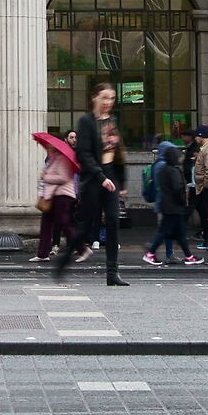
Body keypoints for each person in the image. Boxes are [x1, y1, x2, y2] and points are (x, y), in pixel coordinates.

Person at [56, 84, 130, 286]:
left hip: (110, 175)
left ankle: (112, 273)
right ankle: (63, 261)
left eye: (111, 98)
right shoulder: (86, 122)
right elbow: (84, 154)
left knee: (113, 222)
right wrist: (100, 177)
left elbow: (118, 151)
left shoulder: (112, 121)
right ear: (94, 98)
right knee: (86, 226)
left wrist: (121, 180)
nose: (108, 102)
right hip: (93, 179)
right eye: (104, 97)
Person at [143, 140, 199, 266]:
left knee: (177, 231)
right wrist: (183, 196)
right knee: (167, 230)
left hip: (167, 203)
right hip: (170, 204)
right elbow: (175, 188)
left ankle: (183, 255)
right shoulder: (167, 167)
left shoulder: (159, 165)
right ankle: (155, 250)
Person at [33, 129, 79, 262]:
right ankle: (43, 253)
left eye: (49, 146)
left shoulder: (61, 158)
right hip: (53, 195)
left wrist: (45, 177)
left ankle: (80, 247)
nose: (47, 148)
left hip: (62, 195)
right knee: (48, 224)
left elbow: (63, 177)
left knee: (64, 223)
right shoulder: (51, 159)